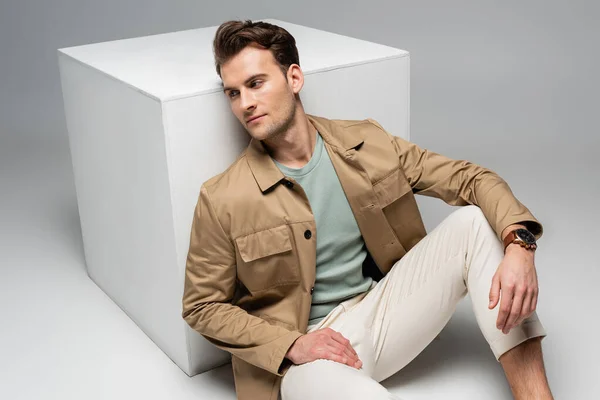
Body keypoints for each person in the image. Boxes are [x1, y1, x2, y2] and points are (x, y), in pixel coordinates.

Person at [181, 20, 553, 400]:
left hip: (383, 309)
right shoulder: (222, 197)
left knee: (476, 223)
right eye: (233, 93)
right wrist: (291, 345)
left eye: (256, 83)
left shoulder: (365, 142)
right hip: (306, 354)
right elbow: (202, 306)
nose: (245, 103)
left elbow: (469, 178)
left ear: (294, 78)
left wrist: (520, 244)